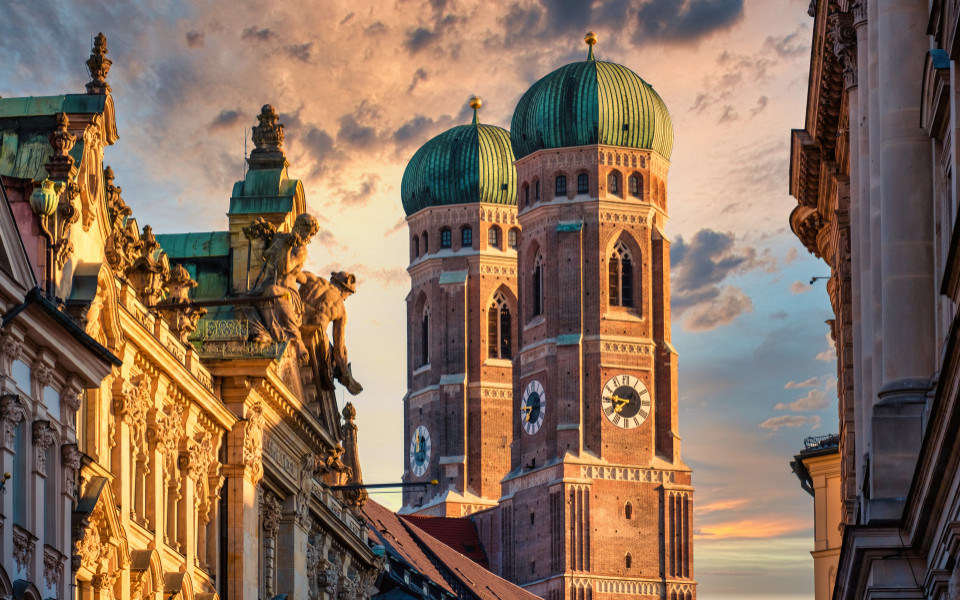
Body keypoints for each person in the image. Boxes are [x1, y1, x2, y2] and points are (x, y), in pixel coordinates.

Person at [246, 213, 319, 362]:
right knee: (243, 301)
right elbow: (265, 254)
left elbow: (284, 269)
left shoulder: (301, 250)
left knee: (274, 292)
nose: (308, 238)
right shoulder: (279, 237)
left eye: (311, 235)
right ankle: (263, 334)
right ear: (299, 226)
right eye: (308, 233)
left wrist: (287, 248)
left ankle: (296, 340)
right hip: (268, 287)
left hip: (288, 294)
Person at [299, 270, 363, 394]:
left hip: (296, 326)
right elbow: (339, 350)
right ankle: (345, 376)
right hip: (315, 341)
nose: (345, 299)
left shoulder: (312, 279)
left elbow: (293, 273)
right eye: (348, 295)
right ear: (345, 290)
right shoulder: (340, 309)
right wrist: (344, 373)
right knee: (339, 354)